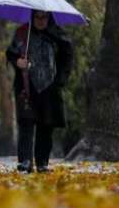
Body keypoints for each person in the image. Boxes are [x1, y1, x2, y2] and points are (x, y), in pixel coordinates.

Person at [6, 10, 73, 173]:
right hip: (26, 86)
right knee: (26, 124)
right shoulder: (22, 33)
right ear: (32, 17)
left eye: (45, 17)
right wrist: (17, 61)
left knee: (46, 125)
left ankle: (42, 162)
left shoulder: (59, 35)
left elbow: (67, 58)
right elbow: (11, 53)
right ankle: (25, 161)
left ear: (49, 17)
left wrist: (60, 81)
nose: (41, 21)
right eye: (37, 17)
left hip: (50, 87)